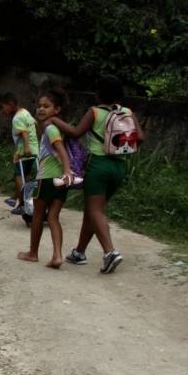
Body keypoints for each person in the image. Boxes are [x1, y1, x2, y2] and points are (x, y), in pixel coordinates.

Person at [47, 75, 144, 274]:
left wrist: (55, 120)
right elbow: (140, 138)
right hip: (120, 166)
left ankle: (110, 253)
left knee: (94, 210)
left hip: (98, 165)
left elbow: (75, 133)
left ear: (98, 93)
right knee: (94, 210)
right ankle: (79, 252)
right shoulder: (127, 112)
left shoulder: (94, 112)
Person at [18, 89, 76, 268]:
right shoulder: (54, 127)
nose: (41, 109)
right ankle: (57, 256)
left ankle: (33, 253)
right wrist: (66, 174)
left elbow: (61, 150)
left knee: (37, 216)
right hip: (60, 181)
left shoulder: (51, 129)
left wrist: (67, 170)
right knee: (53, 217)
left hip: (46, 179)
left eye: (46, 106)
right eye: (39, 106)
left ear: (56, 109)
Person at [0, 92, 38, 216]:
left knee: (19, 176)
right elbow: (35, 125)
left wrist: (25, 148)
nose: (3, 110)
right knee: (24, 175)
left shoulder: (17, 118)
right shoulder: (25, 112)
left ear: (10, 104)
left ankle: (21, 204)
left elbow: (24, 133)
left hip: (26, 151)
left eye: (3, 106)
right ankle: (15, 198)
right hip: (34, 149)